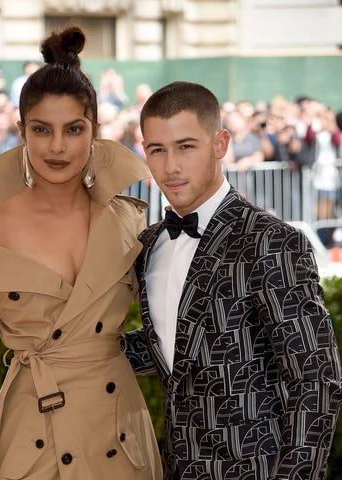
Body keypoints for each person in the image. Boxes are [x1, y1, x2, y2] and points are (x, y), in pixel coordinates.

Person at [0, 26, 162, 480]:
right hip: (32, 434)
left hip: (119, 437)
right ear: (21, 130)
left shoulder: (129, 222)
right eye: (42, 129)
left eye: (74, 129)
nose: (58, 146)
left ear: (95, 132)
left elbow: (171, 326)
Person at [123, 81, 342, 480]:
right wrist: (80, 350)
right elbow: (176, 341)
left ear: (220, 143)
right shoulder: (151, 245)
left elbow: (315, 377)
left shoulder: (271, 240)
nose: (170, 165)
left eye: (186, 146)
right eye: (157, 149)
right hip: (176, 467)